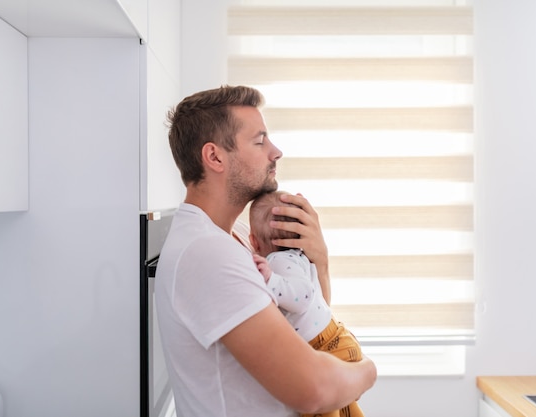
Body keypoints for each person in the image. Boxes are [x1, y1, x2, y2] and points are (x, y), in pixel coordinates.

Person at [154, 85, 377, 417]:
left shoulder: (240, 238)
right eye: (259, 141)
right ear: (214, 157)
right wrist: (366, 371)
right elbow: (311, 389)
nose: (276, 152)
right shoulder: (208, 254)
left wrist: (320, 262)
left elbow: (302, 328)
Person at [249, 190, 365, 417]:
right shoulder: (301, 259)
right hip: (333, 339)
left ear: (254, 241)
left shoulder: (278, 262)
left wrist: (271, 279)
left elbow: (302, 298)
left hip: (325, 345)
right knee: (345, 408)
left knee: (322, 407)